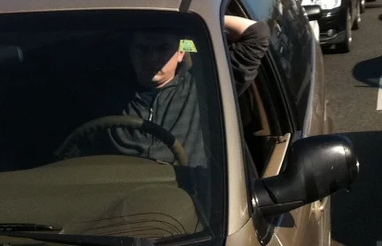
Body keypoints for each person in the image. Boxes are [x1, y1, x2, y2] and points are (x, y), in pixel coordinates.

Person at [108, 14, 270, 167]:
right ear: (131, 52)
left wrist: (190, 19)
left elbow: (257, 34)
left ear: (180, 52)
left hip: (189, 186)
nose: (152, 58)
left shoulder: (206, 88)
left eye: (163, 48)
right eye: (142, 49)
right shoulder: (107, 93)